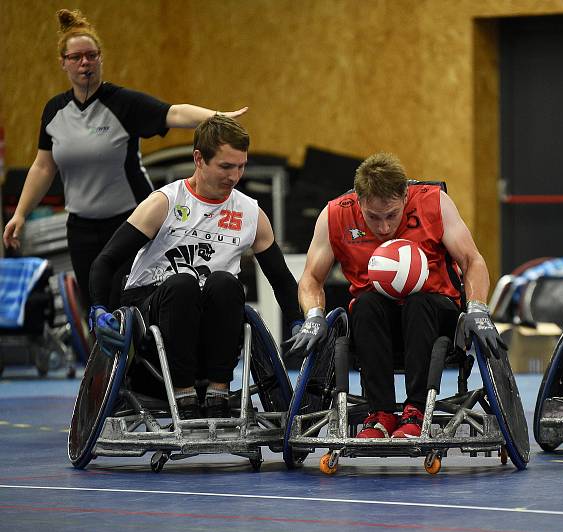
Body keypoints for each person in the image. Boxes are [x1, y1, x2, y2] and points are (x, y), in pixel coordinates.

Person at [2, 8, 248, 309]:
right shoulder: (54, 112)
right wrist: (21, 214)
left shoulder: (121, 103)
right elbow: (43, 166)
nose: (85, 63)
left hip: (130, 221)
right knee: (95, 305)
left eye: (91, 56)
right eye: (76, 58)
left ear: (100, 58)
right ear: (63, 63)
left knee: (126, 305)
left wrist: (218, 117)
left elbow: (175, 112)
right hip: (80, 227)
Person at [88, 115, 302, 419]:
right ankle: (183, 393)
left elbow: (280, 278)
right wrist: (98, 308)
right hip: (153, 319)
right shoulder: (164, 202)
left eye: (241, 166)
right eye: (226, 167)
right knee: (182, 284)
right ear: (199, 159)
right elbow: (106, 261)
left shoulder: (250, 213)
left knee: (226, 283)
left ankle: (218, 390)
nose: (234, 176)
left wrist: (297, 321)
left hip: (210, 323)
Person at [286, 152, 506, 438]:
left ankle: (415, 410)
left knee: (418, 302)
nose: (384, 228)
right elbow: (312, 278)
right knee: (364, 304)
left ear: (405, 197)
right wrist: (314, 316)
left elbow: (471, 261)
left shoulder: (433, 202)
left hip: (435, 313)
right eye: (373, 217)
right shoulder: (336, 214)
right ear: (359, 201)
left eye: (391, 215)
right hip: (378, 321)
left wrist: (478, 308)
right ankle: (380, 415)